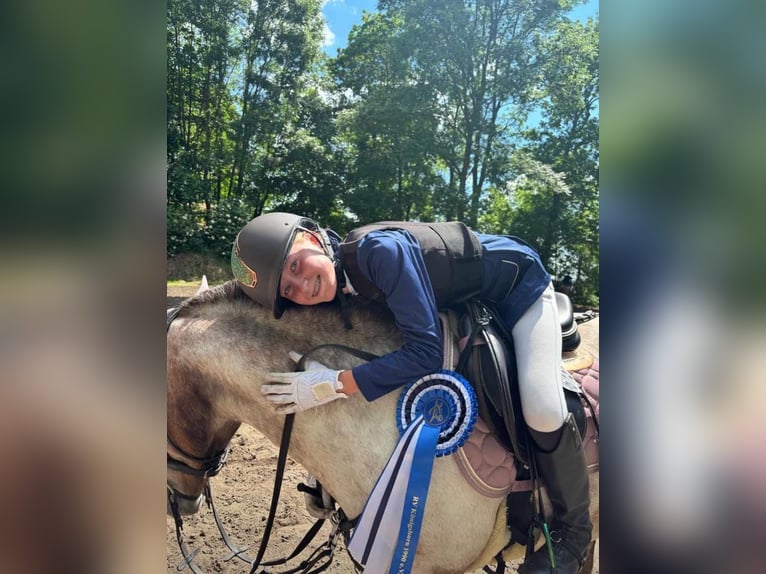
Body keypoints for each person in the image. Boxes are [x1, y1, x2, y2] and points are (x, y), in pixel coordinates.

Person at [231, 212, 592, 574]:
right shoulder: (343, 288)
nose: (300, 284)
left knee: (542, 408)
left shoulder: (378, 252)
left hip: (518, 289)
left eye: (295, 265)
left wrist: (334, 383)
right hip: (463, 299)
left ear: (312, 237)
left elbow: (425, 353)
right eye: (288, 290)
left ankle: (573, 531)